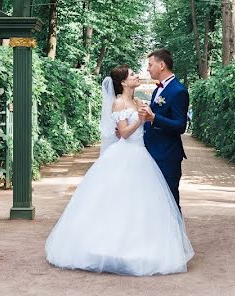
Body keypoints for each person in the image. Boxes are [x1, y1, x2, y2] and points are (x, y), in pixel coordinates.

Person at [44, 65, 194, 275]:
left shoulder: (140, 101)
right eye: (132, 74)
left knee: (142, 204)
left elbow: (151, 123)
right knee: (117, 201)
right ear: (123, 82)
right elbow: (123, 133)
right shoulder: (118, 102)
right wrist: (140, 121)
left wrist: (147, 118)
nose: (137, 75)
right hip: (125, 154)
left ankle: (141, 247)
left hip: (142, 155)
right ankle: (108, 248)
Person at [141, 49, 190, 208]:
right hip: (152, 152)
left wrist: (154, 118)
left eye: (150, 64)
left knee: (169, 200)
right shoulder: (158, 89)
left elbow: (180, 125)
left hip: (167, 155)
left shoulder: (178, 91)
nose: (148, 68)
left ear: (161, 65)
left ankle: (175, 233)